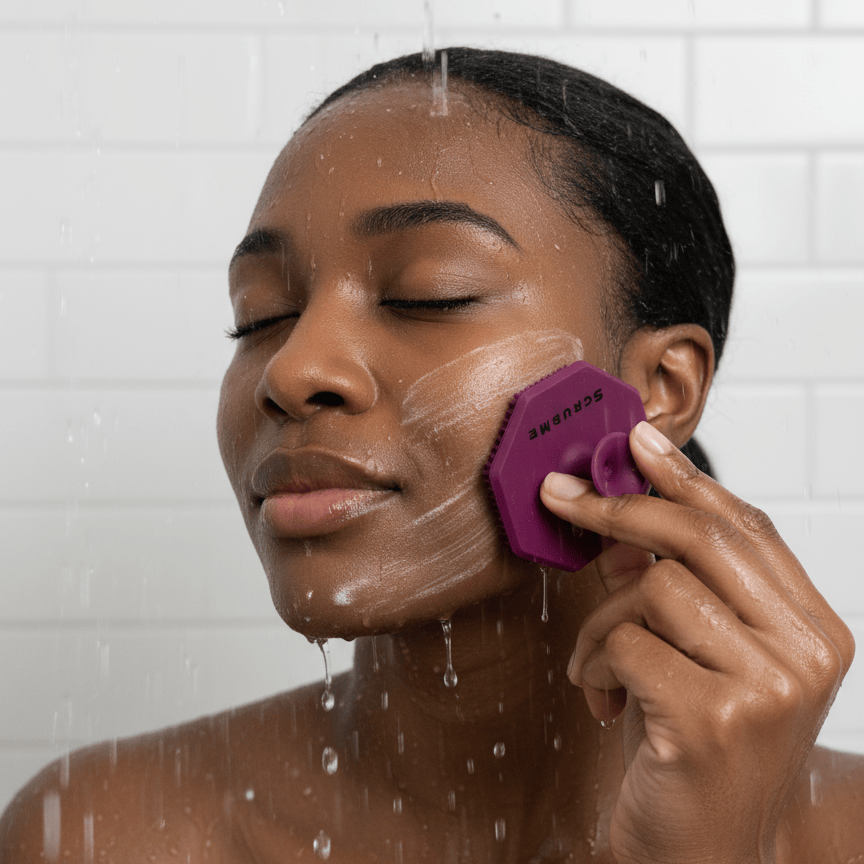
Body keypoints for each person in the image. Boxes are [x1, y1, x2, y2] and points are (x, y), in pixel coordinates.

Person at [2, 47, 862, 863]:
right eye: (260, 316)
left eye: (430, 294)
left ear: (661, 387)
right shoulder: (104, 833)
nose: (291, 371)